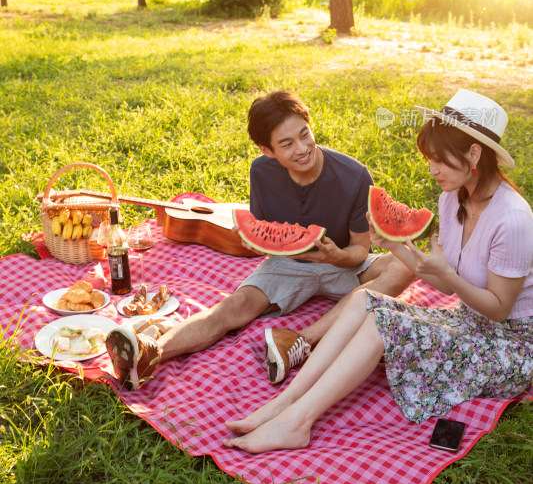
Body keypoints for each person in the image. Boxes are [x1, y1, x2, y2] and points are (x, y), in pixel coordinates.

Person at [222, 89, 533, 453]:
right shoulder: (453, 197)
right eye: (429, 159)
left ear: (474, 153)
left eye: (440, 160)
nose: (432, 170)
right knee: (365, 300)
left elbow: (496, 308)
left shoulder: (513, 220)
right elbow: (446, 286)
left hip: (510, 347)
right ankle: (282, 403)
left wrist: (448, 275)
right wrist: (393, 243)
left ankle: (297, 422)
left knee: (379, 322)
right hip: (467, 322)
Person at [105, 90, 412, 390]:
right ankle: (150, 353)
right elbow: (263, 232)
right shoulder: (261, 171)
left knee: (403, 263)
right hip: (287, 264)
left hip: (343, 265)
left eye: (305, 134)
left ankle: (300, 340)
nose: (302, 148)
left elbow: (360, 249)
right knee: (232, 308)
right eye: (287, 144)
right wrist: (256, 242)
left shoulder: (354, 175)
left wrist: (336, 257)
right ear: (268, 150)